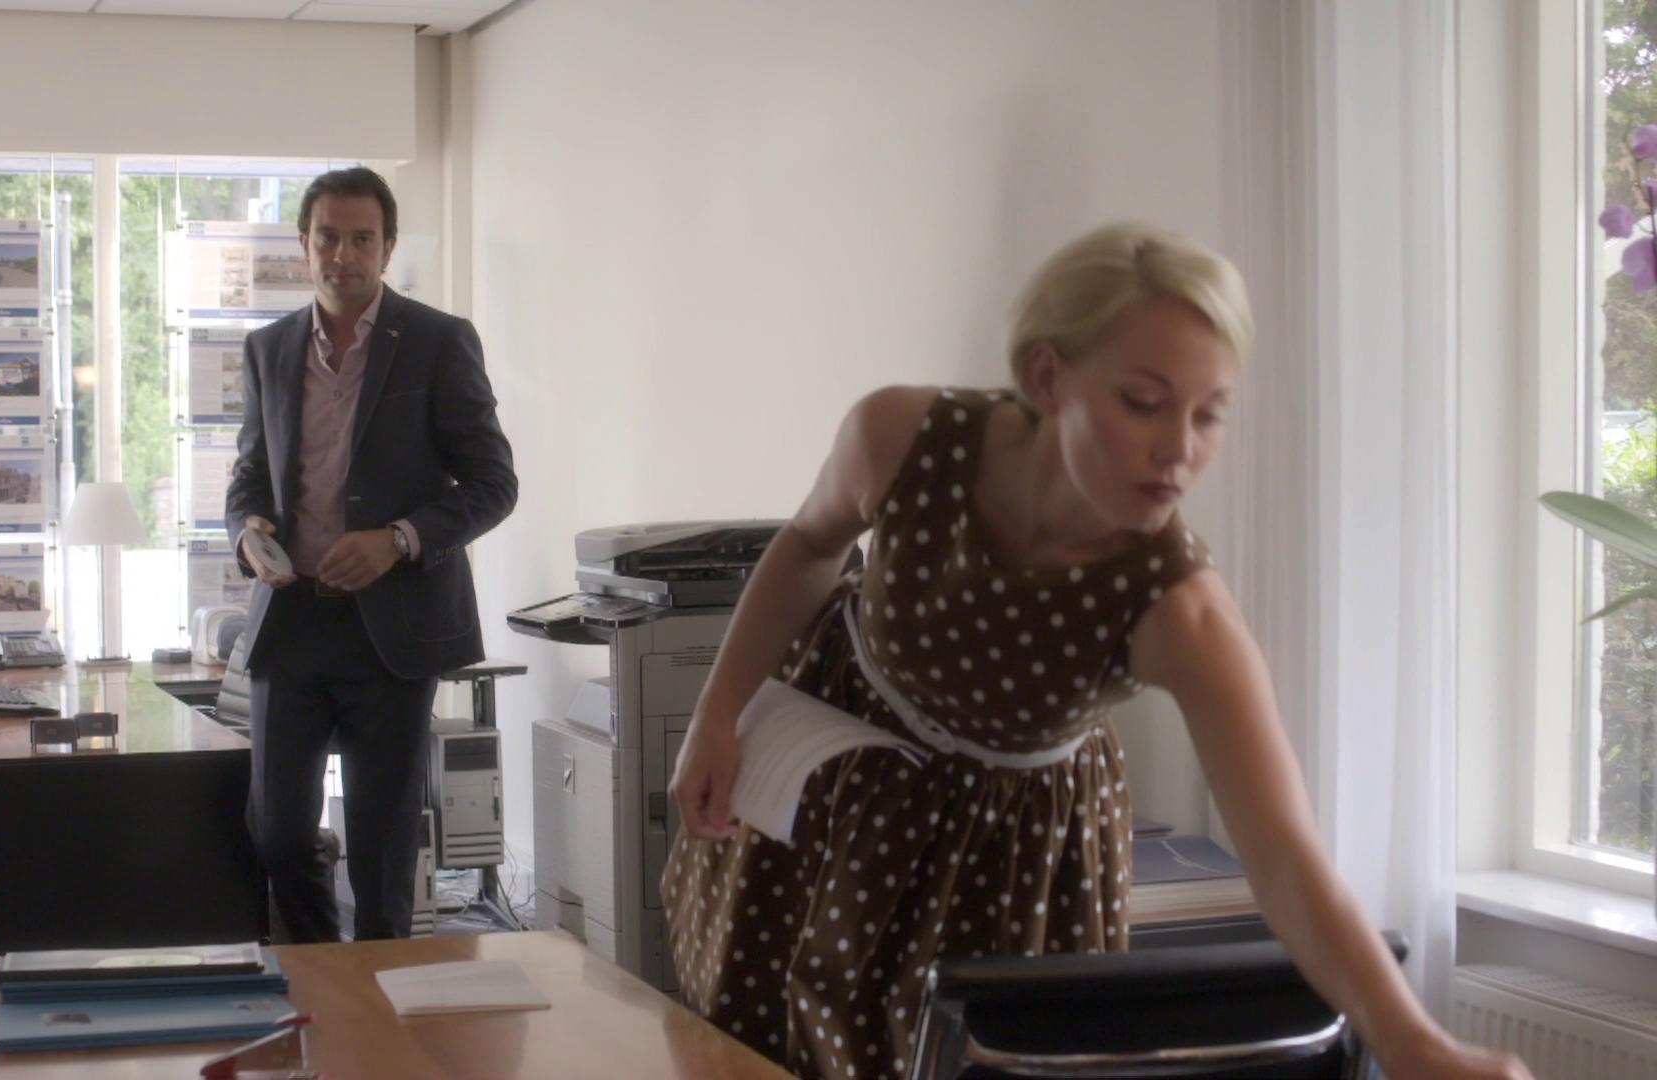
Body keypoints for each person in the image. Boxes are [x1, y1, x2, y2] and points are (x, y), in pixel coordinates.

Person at [661, 222, 1528, 1079]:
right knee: (753, 1044)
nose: (1180, 451)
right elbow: (809, 548)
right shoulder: (898, 438)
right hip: (834, 787)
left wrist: (1417, 1045)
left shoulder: (1177, 611)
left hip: (1006, 861)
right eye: (1143, 403)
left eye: (1210, 415)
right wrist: (718, 712)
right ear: (1048, 377)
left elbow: (1286, 859)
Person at [226, 166, 517, 942]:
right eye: (328, 237)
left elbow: (494, 483)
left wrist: (398, 540)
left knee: (384, 856)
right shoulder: (268, 350)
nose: (343, 255)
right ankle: (323, 974)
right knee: (277, 833)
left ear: (387, 248)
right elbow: (250, 475)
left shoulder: (438, 342)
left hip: (393, 628)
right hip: (291, 623)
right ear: (304, 243)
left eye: (362, 239)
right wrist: (247, 531)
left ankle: (378, 1000)